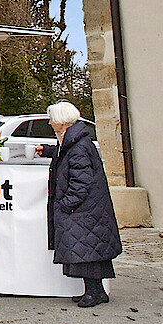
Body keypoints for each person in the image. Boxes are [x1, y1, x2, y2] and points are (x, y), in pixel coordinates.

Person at [38, 101, 121, 308]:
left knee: (87, 254)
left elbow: (81, 182)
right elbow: (65, 156)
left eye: (51, 119)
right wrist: (48, 150)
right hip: (90, 209)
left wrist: (67, 205)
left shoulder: (78, 146)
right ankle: (97, 291)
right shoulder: (76, 141)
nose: (49, 123)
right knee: (91, 251)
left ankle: (93, 293)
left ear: (61, 122)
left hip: (83, 210)